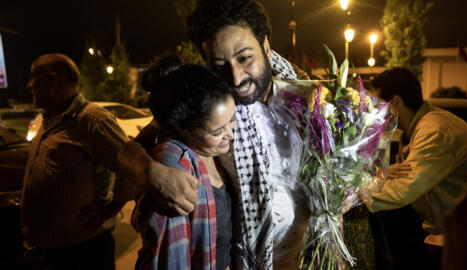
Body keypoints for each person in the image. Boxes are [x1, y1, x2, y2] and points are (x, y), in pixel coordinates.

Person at [118, 1, 312, 268]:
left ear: (266, 47)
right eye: (219, 65)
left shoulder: (306, 95)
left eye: (245, 58)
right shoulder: (213, 107)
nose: (234, 78)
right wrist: (151, 173)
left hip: (312, 254)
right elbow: (128, 151)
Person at [22, 53, 134, 269]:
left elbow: (131, 168)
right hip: (49, 249)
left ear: (53, 80)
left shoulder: (93, 119)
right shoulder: (49, 119)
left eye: (34, 77)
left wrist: (111, 208)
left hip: (82, 251)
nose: (29, 85)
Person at [365, 67, 467, 268]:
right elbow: (401, 174)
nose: (373, 112)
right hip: (445, 235)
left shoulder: (434, 131)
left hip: (463, 243)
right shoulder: (416, 128)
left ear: (397, 102)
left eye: (377, 105)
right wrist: (379, 174)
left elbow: (402, 190)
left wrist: (352, 195)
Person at [132, 54, 237, 270]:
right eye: (217, 131)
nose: (231, 134)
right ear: (183, 129)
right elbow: (171, 260)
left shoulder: (218, 152)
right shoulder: (174, 165)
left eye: (232, 120)